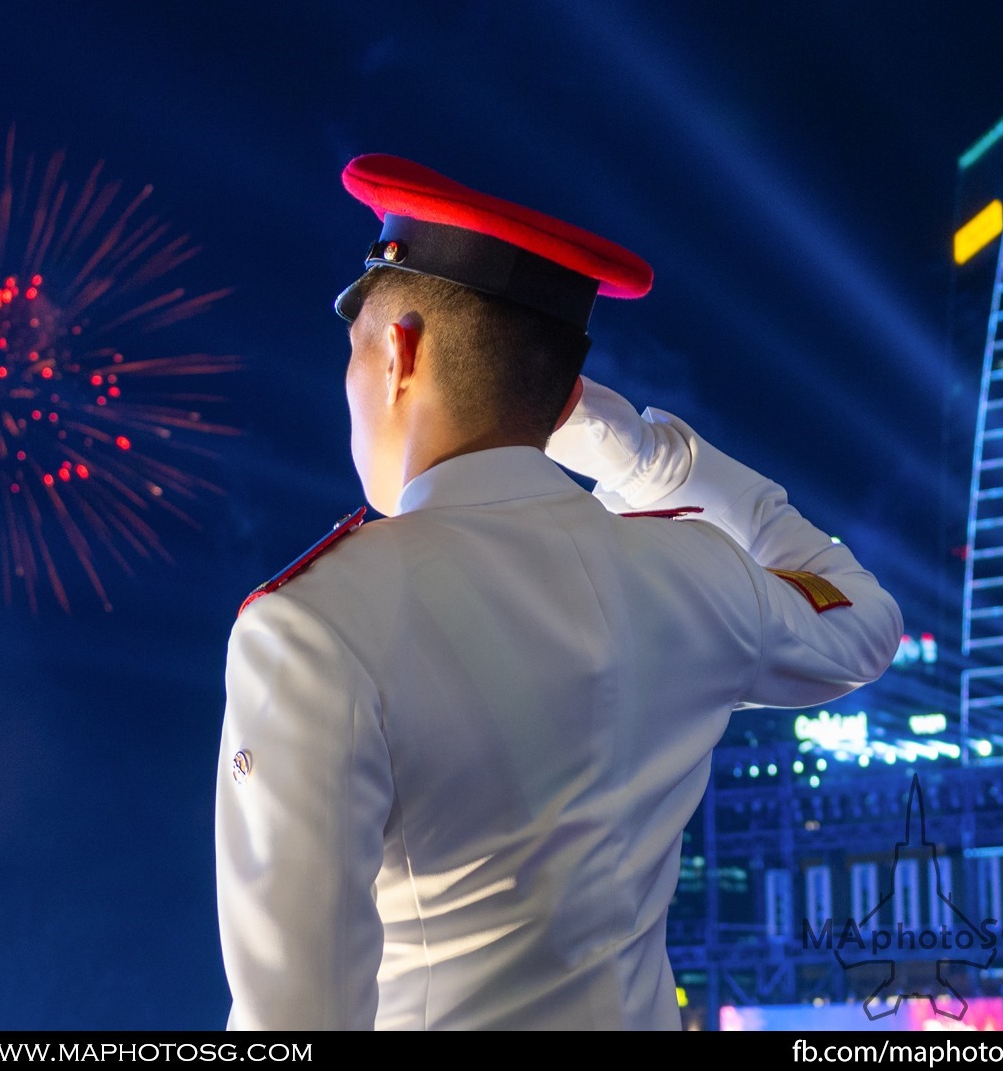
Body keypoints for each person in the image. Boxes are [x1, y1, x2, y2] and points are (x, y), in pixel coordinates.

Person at [213, 153, 902, 1030]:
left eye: (353, 352)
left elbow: (293, 1019)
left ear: (399, 352)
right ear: (569, 395)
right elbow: (861, 618)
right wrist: (634, 452)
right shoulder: (692, 574)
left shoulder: (313, 628)